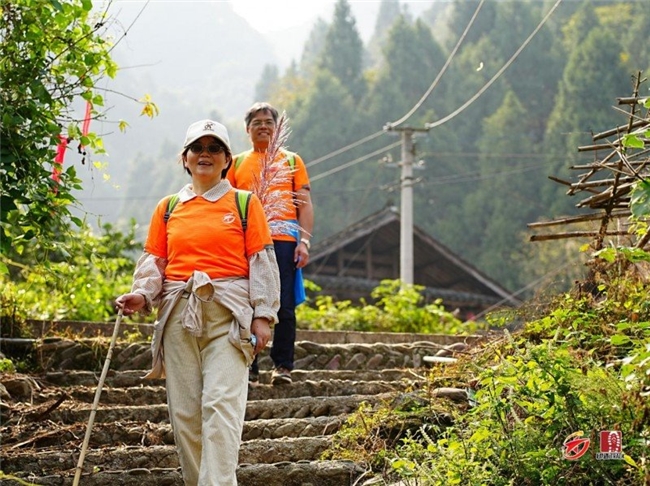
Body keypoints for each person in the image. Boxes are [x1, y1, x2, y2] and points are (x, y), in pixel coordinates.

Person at [115, 119, 280, 486]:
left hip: (229, 317)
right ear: (185, 159)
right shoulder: (168, 207)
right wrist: (141, 294)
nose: (205, 154)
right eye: (197, 148)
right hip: (178, 315)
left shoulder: (244, 203)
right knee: (186, 415)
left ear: (226, 160)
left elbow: (261, 261)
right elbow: (155, 261)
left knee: (221, 407)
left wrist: (264, 315)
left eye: (214, 148)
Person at [227, 102, 314, 386]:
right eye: (256, 122)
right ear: (247, 129)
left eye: (268, 122)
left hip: (284, 241)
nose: (263, 126)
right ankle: (249, 366)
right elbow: (227, 204)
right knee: (246, 302)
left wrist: (305, 242)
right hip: (245, 241)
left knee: (285, 305)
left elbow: (305, 203)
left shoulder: (291, 160)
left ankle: (283, 367)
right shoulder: (236, 163)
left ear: (276, 128)